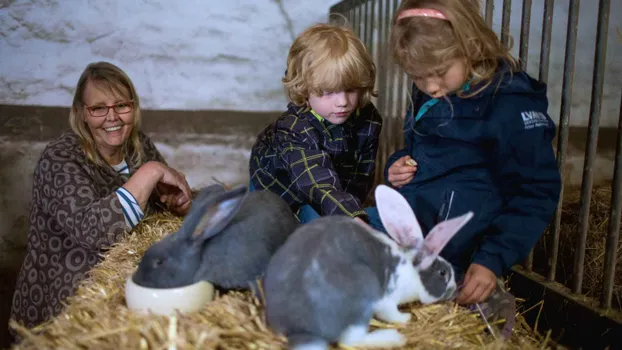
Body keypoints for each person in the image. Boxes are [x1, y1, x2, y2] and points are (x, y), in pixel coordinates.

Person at [365, 0, 561, 338]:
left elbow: (536, 190)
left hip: (461, 243)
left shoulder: (509, 104)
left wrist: (491, 260)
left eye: (439, 73)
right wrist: (398, 166)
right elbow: (424, 152)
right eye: (417, 76)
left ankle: (477, 298)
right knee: (340, 234)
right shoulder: (433, 91)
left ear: (469, 46)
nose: (430, 87)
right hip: (416, 223)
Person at [10, 62, 193, 332]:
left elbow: (162, 204)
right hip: (68, 299)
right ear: (82, 113)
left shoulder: (137, 145)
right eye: (98, 108)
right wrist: (151, 172)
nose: (113, 117)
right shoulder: (60, 158)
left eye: (122, 106)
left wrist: (178, 203)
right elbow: (93, 232)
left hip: (127, 280)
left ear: (134, 107)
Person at [249, 23, 382, 224]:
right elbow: (316, 182)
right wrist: (348, 215)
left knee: (334, 218)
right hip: (278, 186)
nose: (343, 102)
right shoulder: (293, 129)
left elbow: (361, 175)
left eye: (351, 89)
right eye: (328, 92)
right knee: (271, 222)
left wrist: (353, 210)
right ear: (304, 89)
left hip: (329, 190)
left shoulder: (368, 120)